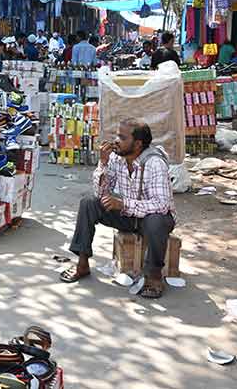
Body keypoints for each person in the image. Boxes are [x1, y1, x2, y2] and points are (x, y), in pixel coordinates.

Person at [62, 119, 174, 299]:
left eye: (122, 137)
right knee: (89, 203)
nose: (116, 141)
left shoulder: (154, 163)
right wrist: (103, 164)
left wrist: (123, 204)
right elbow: (101, 193)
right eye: (116, 135)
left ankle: (154, 275)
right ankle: (82, 263)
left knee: (156, 220)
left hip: (152, 219)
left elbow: (161, 205)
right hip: (128, 216)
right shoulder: (116, 158)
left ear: (137, 144)